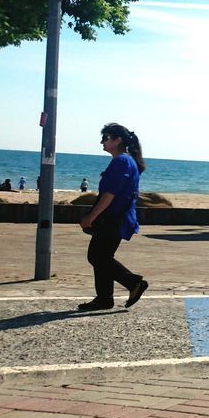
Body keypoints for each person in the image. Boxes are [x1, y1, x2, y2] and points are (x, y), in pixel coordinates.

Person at [77, 123, 149, 311]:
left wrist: (91, 216)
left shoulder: (122, 162)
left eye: (106, 137)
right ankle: (104, 298)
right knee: (102, 256)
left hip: (114, 218)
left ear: (118, 140)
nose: (102, 141)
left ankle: (133, 283)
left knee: (97, 256)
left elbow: (110, 194)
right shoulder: (126, 161)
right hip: (118, 218)